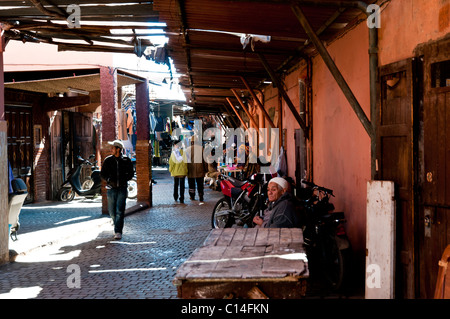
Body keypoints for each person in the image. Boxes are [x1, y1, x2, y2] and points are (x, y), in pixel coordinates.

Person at [101, 139, 134, 240]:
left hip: (122, 189)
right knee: (111, 211)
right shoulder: (108, 160)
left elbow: (131, 173)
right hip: (111, 188)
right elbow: (102, 174)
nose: (111, 149)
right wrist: (108, 179)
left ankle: (118, 231)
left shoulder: (126, 160)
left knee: (120, 210)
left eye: (113, 148)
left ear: (118, 149)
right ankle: (116, 224)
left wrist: (125, 179)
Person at [186, 137, 206, 201]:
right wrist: (206, 169)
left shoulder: (187, 149)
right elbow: (205, 161)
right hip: (200, 169)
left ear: (191, 141)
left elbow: (185, 161)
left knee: (191, 184)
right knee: (200, 184)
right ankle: (201, 195)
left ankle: (192, 196)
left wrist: (185, 170)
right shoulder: (202, 149)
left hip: (190, 170)